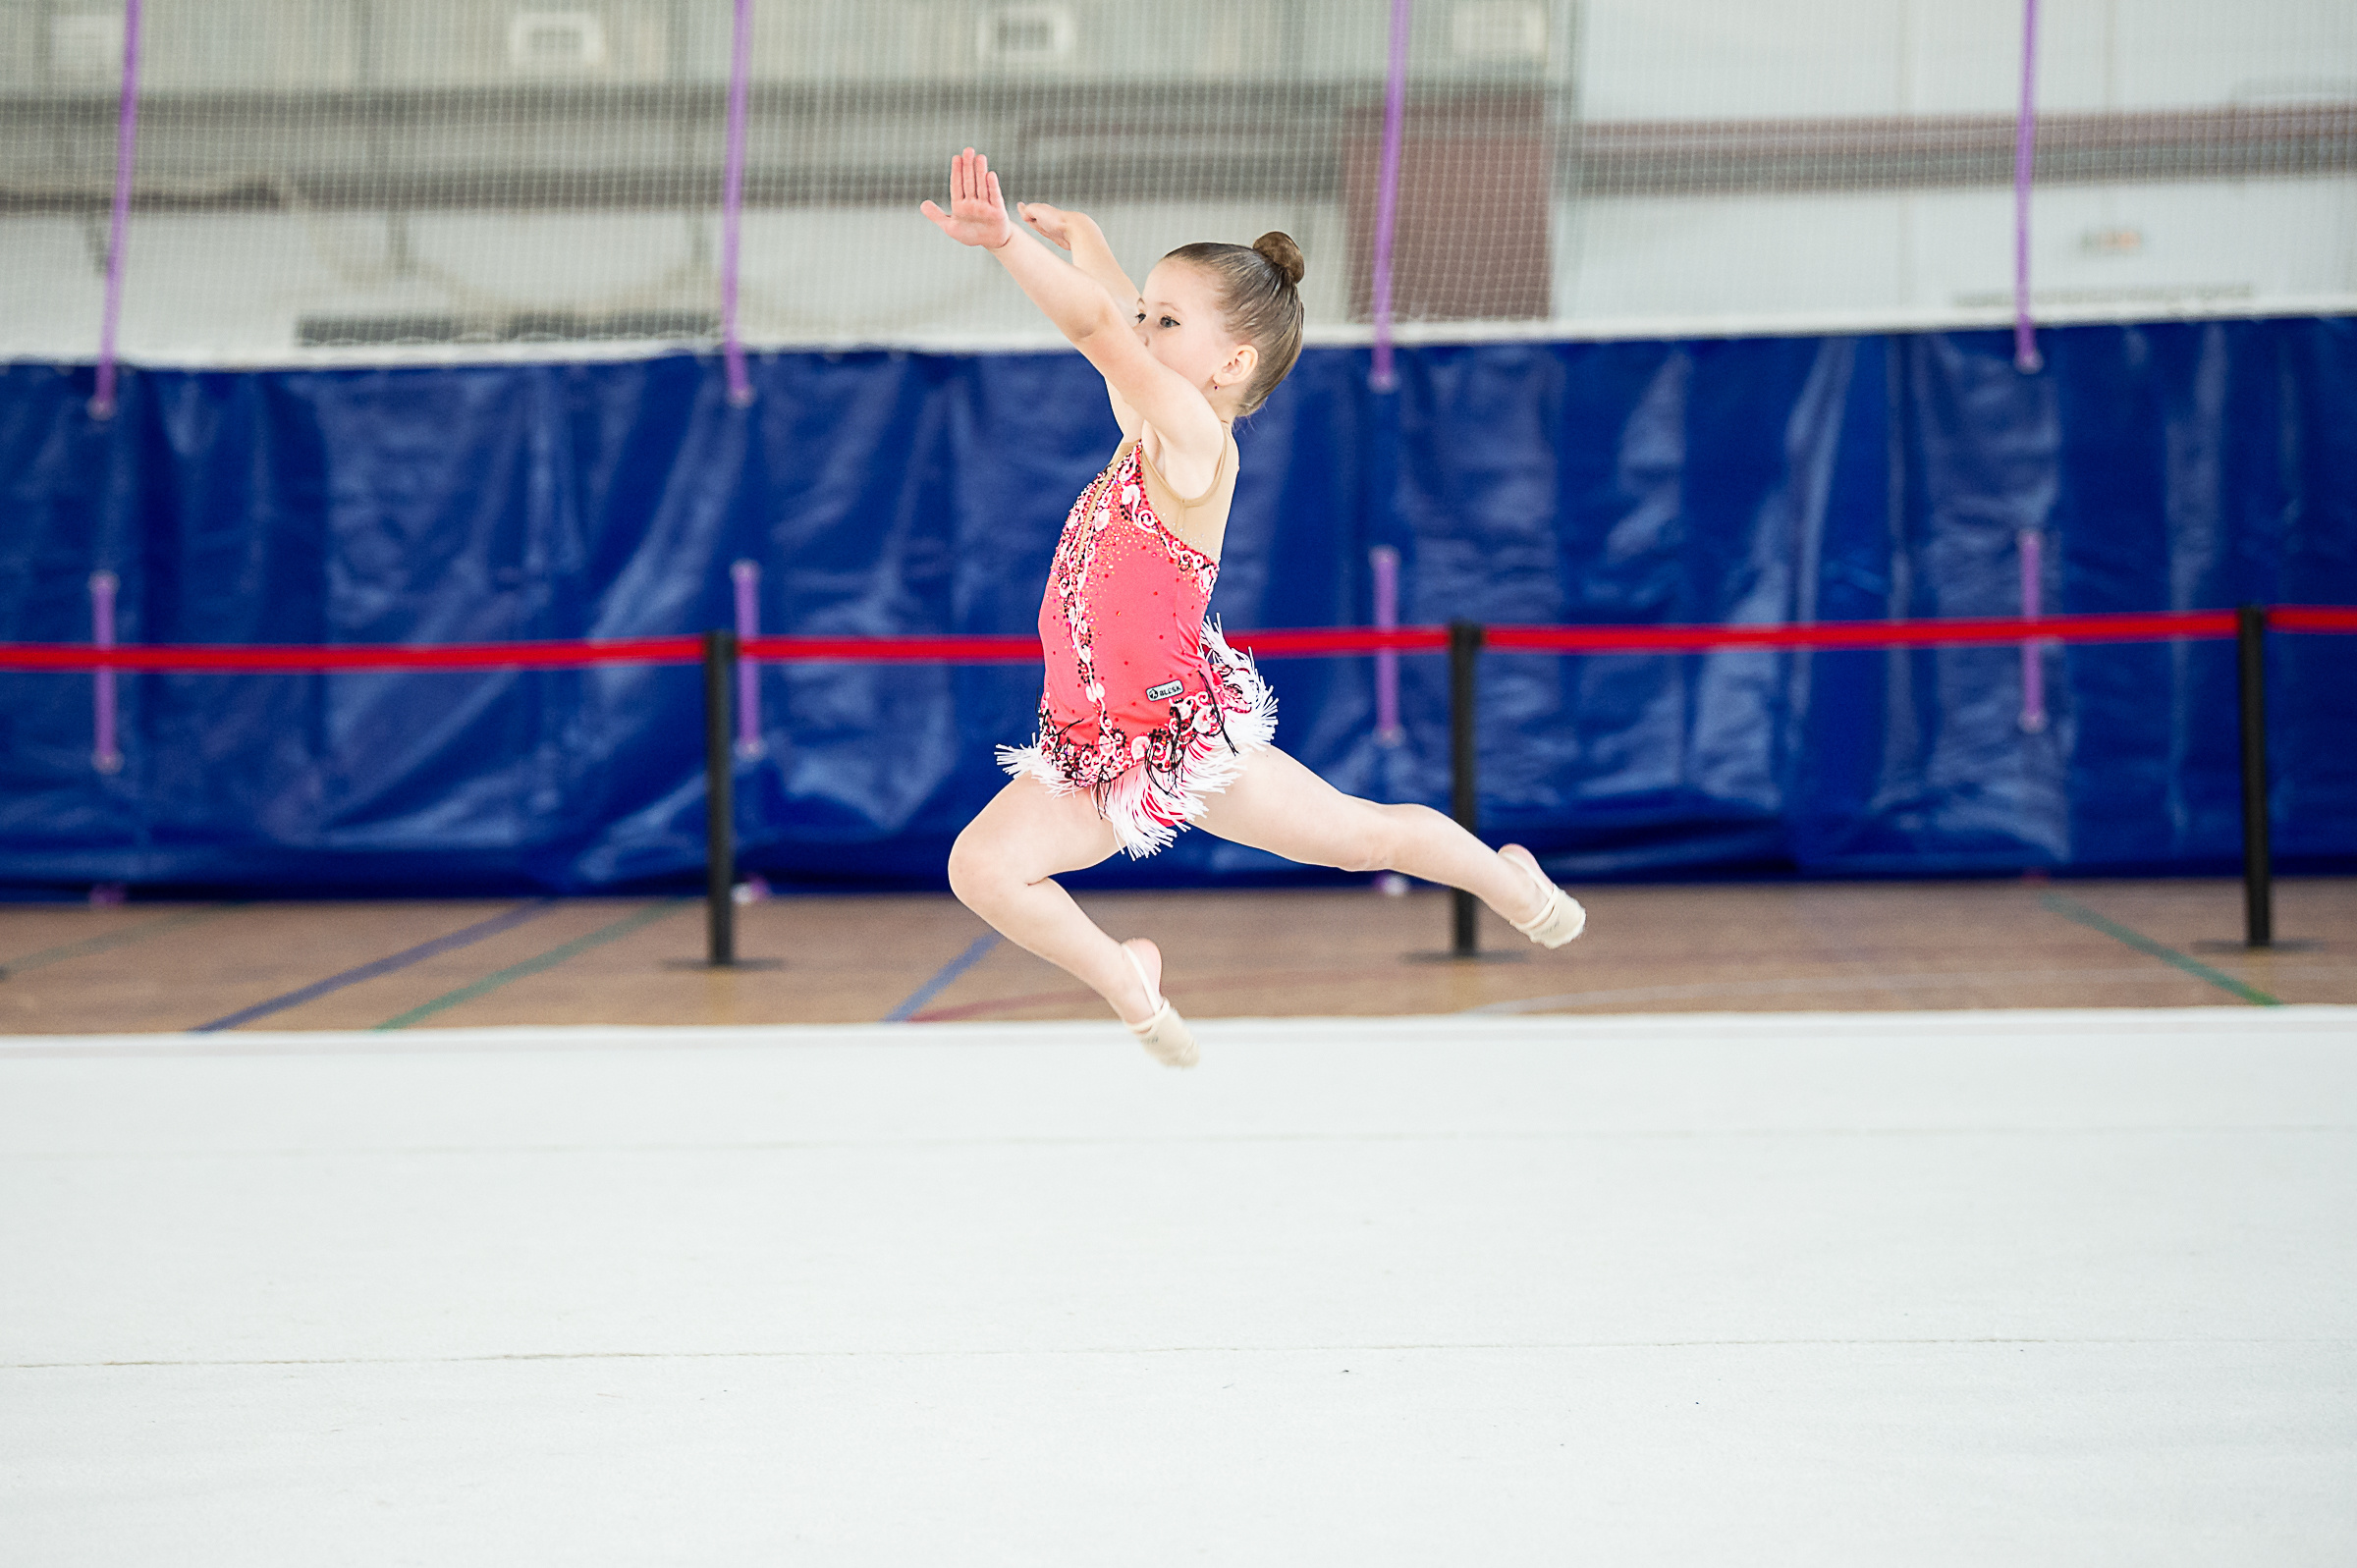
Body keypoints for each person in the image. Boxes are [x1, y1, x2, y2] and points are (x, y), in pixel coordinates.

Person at [921, 148, 1583, 1067]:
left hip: (1183, 734)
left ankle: (1513, 885)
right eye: (1147, 312)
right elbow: (1117, 322)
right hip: (1093, 744)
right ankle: (1127, 978)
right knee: (980, 866)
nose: (1141, 326)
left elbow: (1097, 331)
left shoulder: (1195, 440)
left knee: (1361, 837)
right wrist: (1097, 251)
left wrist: (1005, 247)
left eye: (1166, 320)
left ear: (1229, 363)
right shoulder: (1149, 420)